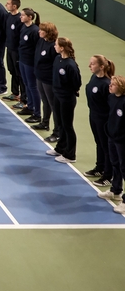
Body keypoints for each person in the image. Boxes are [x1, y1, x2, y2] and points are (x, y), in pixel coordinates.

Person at [46, 37, 82, 163]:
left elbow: (77, 83)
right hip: (57, 95)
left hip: (66, 98)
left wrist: (67, 92)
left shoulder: (71, 65)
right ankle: (61, 148)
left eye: (56, 45)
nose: (54, 46)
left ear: (62, 48)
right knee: (60, 123)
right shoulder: (57, 59)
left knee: (67, 125)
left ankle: (70, 155)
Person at [86, 55, 115, 186]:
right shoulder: (94, 78)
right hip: (94, 116)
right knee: (99, 143)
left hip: (104, 120)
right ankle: (100, 168)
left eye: (92, 64)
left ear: (101, 67)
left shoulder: (106, 84)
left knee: (106, 147)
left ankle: (108, 176)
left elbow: (112, 106)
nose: (89, 66)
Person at [97, 75, 125, 214]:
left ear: (121, 87)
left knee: (124, 168)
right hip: (112, 137)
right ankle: (116, 190)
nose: (110, 86)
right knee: (115, 164)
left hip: (122, 141)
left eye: (113, 84)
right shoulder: (111, 98)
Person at [18, 8, 41, 125]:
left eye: (22, 15)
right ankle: (30, 106)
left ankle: (37, 114)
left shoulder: (35, 31)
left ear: (30, 17)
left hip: (30, 63)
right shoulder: (24, 27)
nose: (20, 17)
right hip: (22, 60)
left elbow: (37, 49)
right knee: (27, 84)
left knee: (32, 86)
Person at [3, 0, 24, 105]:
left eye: (8, 4)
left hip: (17, 51)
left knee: (19, 74)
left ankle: (23, 98)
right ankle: (15, 93)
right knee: (12, 71)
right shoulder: (8, 16)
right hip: (9, 48)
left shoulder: (19, 19)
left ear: (14, 6)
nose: (6, 5)